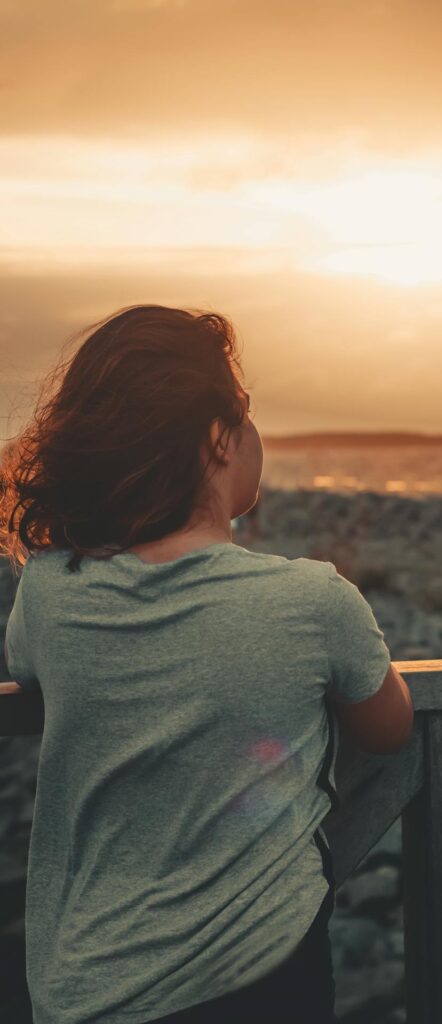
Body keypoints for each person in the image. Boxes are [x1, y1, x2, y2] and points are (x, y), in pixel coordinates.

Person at [0, 304, 414, 1024]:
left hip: (86, 988)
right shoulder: (313, 599)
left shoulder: (48, 592)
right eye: (242, 410)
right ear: (218, 440)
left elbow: (28, 671)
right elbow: (388, 727)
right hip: (259, 981)